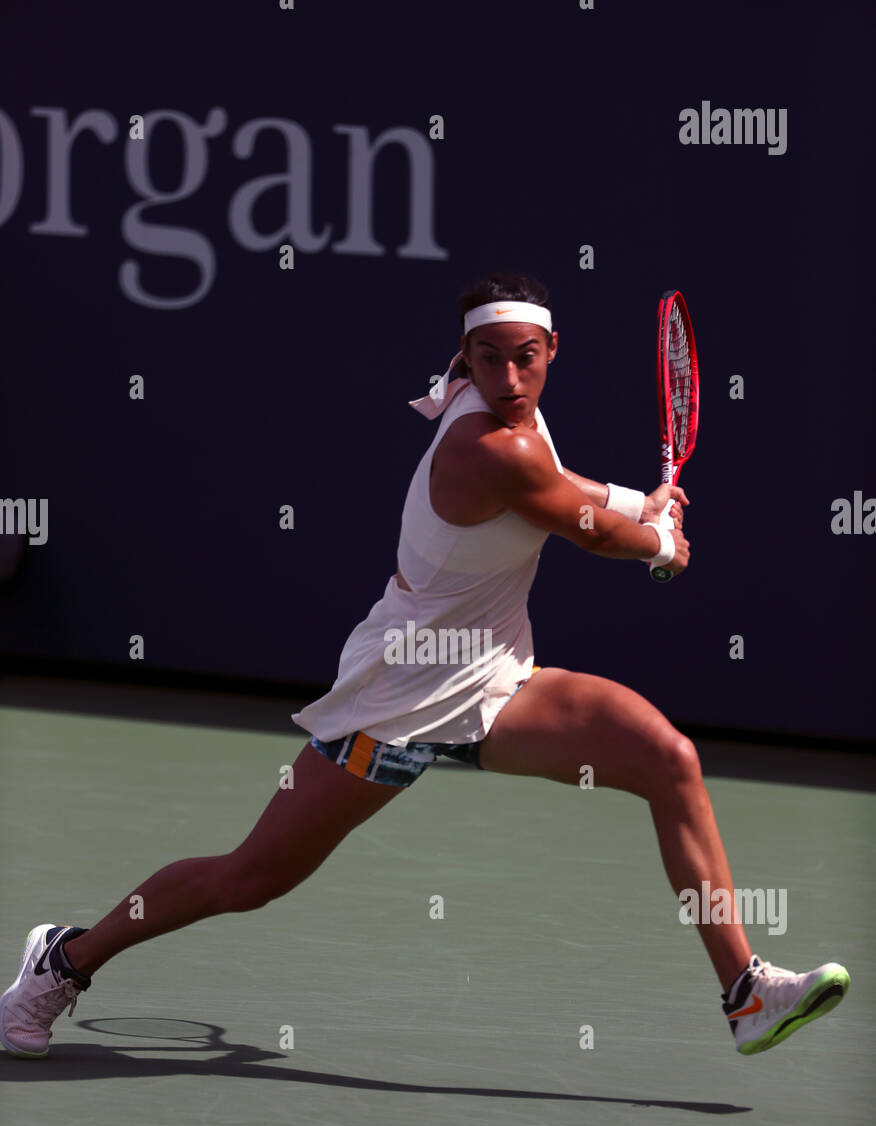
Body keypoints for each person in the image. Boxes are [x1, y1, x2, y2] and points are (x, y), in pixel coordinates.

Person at [0, 270, 849, 1062]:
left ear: (551, 351)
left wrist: (640, 500)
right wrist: (658, 543)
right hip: (400, 695)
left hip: (493, 684)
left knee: (669, 758)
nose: (510, 378)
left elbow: (567, 485)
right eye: (490, 360)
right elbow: (583, 528)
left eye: (526, 358)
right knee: (252, 876)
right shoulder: (489, 444)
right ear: (466, 356)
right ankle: (64, 960)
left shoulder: (520, 430)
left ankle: (746, 992)